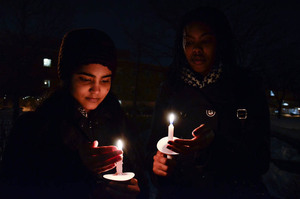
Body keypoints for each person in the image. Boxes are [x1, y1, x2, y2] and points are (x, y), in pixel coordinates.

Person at [1, 28, 141, 199]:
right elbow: (14, 188)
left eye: (105, 80)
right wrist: (79, 173)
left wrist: (135, 191)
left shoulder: (119, 123)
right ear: (67, 77)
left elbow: (140, 176)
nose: (96, 89)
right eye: (85, 79)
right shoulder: (34, 127)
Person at [147, 7, 270, 198]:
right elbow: (153, 147)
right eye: (189, 42)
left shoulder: (246, 86)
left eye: (205, 41)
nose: (196, 50)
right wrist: (158, 167)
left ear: (220, 42)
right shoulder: (170, 88)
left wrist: (214, 146)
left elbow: (260, 160)